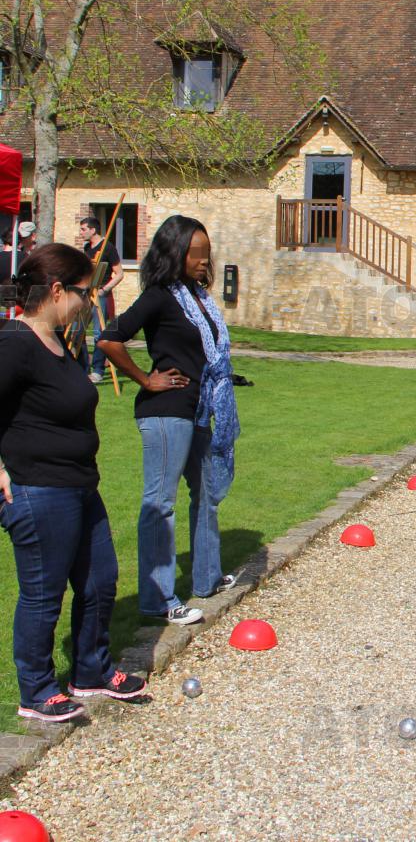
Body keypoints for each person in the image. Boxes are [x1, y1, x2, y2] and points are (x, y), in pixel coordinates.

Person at [0, 244, 146, 722]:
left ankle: (91, 671)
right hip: (38, 487)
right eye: (85, 292)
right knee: (44, 593)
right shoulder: (15, 343)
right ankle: (37, 691)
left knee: (100, 581)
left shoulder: (58, 340)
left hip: (81, 484)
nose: (89, 301)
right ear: (57, 290)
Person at [98, 216, 238, 625]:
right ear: (174, 252)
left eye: (205, 254)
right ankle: (157, 600)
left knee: (207, 494)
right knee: (160, 504)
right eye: (195, 253)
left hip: (199, 410)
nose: (202, 261)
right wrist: (146, 378)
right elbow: (108, 338)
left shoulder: (199, 296)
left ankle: (207, 578)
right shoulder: (159, 296)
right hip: (166, 412)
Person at [79, 216, 124, 384]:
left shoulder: (108, 247)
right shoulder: (87, 247)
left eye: (83, 229)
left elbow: (119, 274)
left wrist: (105, 289)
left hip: (101, 294)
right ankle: (83, 369)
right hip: (86, 293)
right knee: (79, 331)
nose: (81, 232)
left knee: (99, 333)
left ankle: (98, 370)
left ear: (93, 230)